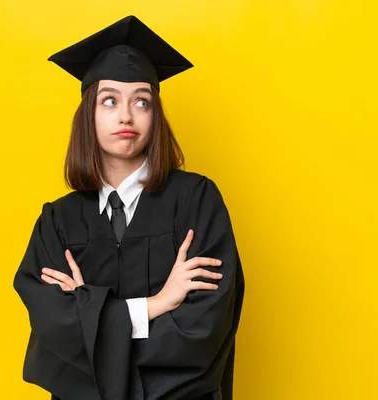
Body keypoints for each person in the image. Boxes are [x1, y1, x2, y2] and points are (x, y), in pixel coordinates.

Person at [13, 15, 245, 400]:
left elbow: (204, 330)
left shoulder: (197, 201)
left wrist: (91, 317)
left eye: (142, 101)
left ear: (155, 115)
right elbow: (54, 333)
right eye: (109, 101)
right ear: (89, 113)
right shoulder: (57, 220)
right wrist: (156, 305)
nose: (126, 115)